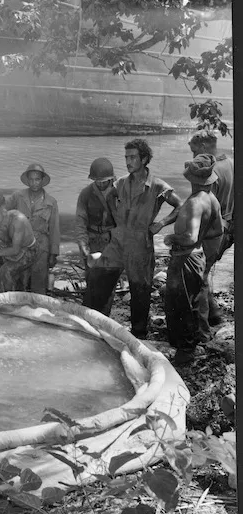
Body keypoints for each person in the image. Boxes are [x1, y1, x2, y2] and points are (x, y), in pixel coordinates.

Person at [84, 138, 183, 338]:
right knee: (100, 279)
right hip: (118, 240)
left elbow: (180, 206)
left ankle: (139, 334)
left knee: (140, 290)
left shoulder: (157, 186)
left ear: (144, 158)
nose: (128, 161)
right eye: (126, 157)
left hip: (140, 244)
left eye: (133, 157)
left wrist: (161, 224)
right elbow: (106, 202)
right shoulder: (120, 183)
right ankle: (95, 328)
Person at [164, 154, 223, 366]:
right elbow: (218, 229)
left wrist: (171, 238)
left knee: (179, 304)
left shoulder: (195, 203)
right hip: (198, 256)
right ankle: (195, 343)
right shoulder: (211, 199)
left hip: (185, 258)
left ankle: (185, 351)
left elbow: (190, 236)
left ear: (191, 178)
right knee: (194, 301)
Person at [188, 129, 234, 326]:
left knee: (200, 276)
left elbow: (206, 209)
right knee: (206, 273)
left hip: (216, 230)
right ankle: (214, 315)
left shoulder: (210, 173)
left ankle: (204, 325)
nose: (192, 156)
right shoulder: (231, 162)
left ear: (204, 147)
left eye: (194, 151)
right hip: (231, 227)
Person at [6, 163, 60, 295]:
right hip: (21, 242)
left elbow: (54, 230)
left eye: (37, 179)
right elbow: (3, 212)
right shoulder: (17, 196)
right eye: (31, 179)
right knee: (17, 278)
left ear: (42, 181)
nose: (34, 183)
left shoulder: (51, 202)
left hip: (42, 246)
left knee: (39, 281)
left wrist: (53, 254)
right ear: (27, 180)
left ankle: (37, 310)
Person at [76, 157, 119, 310]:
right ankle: (90, 314)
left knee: (109, 281)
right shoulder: (86, 194)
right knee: (92, 279)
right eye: (97, 181)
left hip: (111, 241)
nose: (100, 184)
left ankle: (104, 316)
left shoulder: (120, 192)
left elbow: (124, 221)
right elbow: (80, 221)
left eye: (104, 181)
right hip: (92, 240)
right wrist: (83, 245)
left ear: (111, 178)